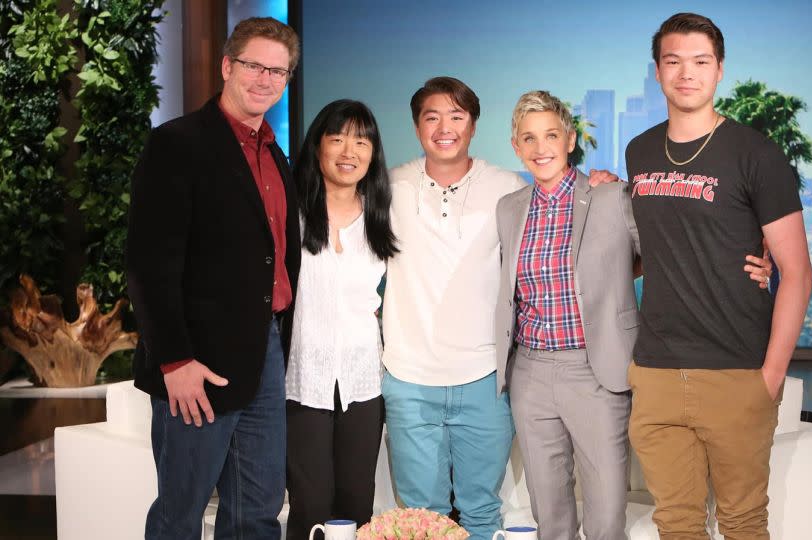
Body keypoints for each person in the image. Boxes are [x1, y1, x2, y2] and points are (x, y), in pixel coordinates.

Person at [495, 90, 772, 540]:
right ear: (516, 147)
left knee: (605, 517)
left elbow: (671, 249)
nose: (540, 147)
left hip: (595, 368)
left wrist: (761, 254)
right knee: (550, 515)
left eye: (550, 135)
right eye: (528, 138)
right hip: (530, 372)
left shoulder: (611, 196)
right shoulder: (509, 209)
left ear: (569, 140)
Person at [379, 76, 617, 540]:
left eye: (457, 116)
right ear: (416, 127)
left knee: (482, 513)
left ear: (473, 126)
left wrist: (603, 182)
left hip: (485, 380)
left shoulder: (508, 189)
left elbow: (586, 246)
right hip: (409, 381)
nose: (445, 127)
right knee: (419, 520)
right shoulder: (388, 187)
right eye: (432, 117)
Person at [625, 13, 812, 540]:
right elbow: (653, 243)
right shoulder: (639, 152)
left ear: (719, 70)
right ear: (658, 70)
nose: (687, 73)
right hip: (657, 372)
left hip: (736, 373)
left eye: (700, 61)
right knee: (677, 525)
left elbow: (797, 273)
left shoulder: (756, 154)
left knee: (742, 523)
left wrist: (769, 379)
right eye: (674, 61)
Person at [126, 17, 301, 539]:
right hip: (196, 361)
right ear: (227, 66)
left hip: (265, 353)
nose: (265, 79)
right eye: (254, 65)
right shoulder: (177, 143)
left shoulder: (273, 153)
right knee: (182, 512)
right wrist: (174, 359)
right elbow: (149, 263)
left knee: (258, 508)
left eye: (278, 71)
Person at [284, 100, 398, 539]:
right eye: (337, 139)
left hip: (365, 382)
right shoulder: (290, 214)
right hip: (302, 383)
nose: (349, 151)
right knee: (309, 507)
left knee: (356, 506)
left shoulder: (383, 216)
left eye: (361, 141)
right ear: (317, 147)